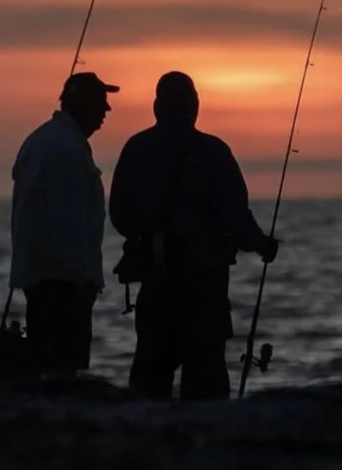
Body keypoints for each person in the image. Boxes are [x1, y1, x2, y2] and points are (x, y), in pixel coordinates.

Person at [109, 71, 278, 400]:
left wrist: (149, 236)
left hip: (155, 284)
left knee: (149, 377)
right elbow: (236, 216)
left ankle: (143, 442)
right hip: (205, 288)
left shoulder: (136, 149)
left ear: (157, 107)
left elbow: (119, 214)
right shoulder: (214, 152)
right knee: (206, 378)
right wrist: (262, 245)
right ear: (195, 107)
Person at [9, 71, 119, 379]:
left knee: (44, 364)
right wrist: (82, 278)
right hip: (61, 281)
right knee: (60, 369)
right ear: (80, 104)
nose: (106, 111)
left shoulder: (44, 140)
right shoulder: (65, 150)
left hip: (43, 275)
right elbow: (67, 221)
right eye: (100, 102)